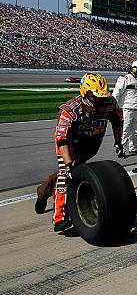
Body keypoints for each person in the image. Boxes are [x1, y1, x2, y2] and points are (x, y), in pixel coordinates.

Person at [35, 73, 124, 232]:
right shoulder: (70, 110)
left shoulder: (110, 103)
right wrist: (68, 163)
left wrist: (118, 141)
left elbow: (118, 121)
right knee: (65, 174)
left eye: (102, 96)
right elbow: (61, 139)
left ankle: (42, 192)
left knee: (72, 172)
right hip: (69, 146)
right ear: (85, 92)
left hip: (89, 147)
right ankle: (59, 217)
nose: (99, 100)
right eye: (95, 96)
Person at [112, 60, 137, 156]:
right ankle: (121, 149)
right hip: (126, 109)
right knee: (125, 130)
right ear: (135, 70)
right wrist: (114, 107)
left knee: (136, 130)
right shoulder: (125, 79)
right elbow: (116, 94)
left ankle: (134, 147)